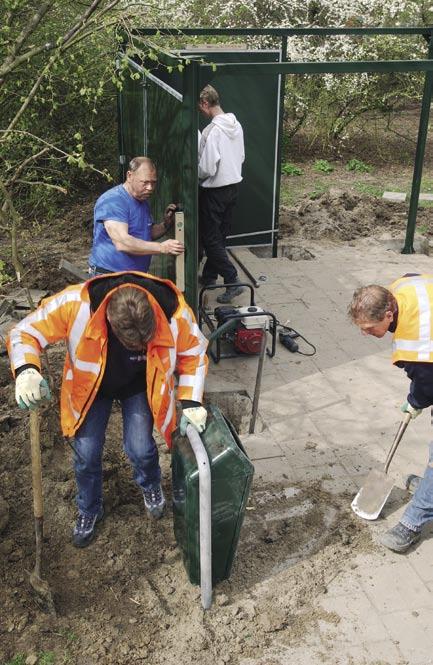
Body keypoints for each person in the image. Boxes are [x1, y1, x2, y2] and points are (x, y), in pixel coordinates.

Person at [8, 271, 208, 548]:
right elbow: (24, 331)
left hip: (138, 386)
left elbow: (194, 354)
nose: (139, 347)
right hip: (92, 389)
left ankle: (151, 486)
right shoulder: (75, 303)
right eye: (132, 344)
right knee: (87, 455)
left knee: (140, 448)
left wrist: (192, 401)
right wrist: (26, 369)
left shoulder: (174, 312)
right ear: (110, 322)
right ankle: (89, 509)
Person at [349, 274, 433, 553]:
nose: (366, 333)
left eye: (370, 328)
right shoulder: (400, 288)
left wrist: (415, 400)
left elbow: (428, 384)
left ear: (388, 313)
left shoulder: (414, 343)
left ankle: (413, 522)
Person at [89, 156, 184, 275]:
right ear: (130, 176)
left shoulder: (142, 200)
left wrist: (166, 224)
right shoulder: (113, 201)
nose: (150, 188)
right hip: (110, 275)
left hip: (134, 276)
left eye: (153, 182)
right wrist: (162, 247)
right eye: (145, 182)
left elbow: (144, 234)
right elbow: (123, 243)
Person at [198, 84, 245, 304]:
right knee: (220, 236)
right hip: (234, 187)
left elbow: (207, 167)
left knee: (210, 238)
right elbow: (242, 156)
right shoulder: (237, 125)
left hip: (215, 191)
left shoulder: (215, 131)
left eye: (200, 106)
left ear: (205, 103)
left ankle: (233, 280)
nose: (200, 110)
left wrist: (194, 174)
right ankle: (209, 277)